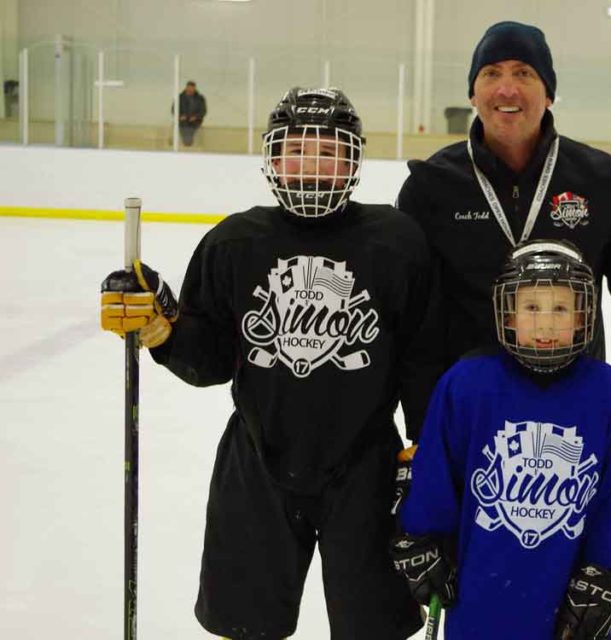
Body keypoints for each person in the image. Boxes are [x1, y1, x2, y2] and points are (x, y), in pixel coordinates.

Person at [100, 87, 442, 639]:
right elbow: (208, 357)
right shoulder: (236, 241)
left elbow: (422, 361)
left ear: (353, 160)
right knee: (246, 623)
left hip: (367, 466)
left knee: (373, 624)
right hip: (258, 459)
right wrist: (163, 329)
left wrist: (426, 450)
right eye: (298, 150)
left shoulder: (398, 243)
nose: (312, 166)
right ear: (273, 157)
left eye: (329, 151)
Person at [390, 240, 611, 639]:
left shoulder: (609, 394)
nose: (545, 324)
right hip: (481, 593)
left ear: (583, 317)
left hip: (570, 597)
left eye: (560, 308)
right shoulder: (467, 384)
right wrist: (423, 535)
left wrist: (606, 570)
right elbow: (438, 471)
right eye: (531, 308)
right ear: (507, 313)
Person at [397, 20, 611, 367]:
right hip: (471, 403)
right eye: (491, 73)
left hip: (571, 400)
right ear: (473, 93)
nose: (507, 89)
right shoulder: (431, 186)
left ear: (548, 94)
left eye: (523, 73)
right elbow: (409, 315)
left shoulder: (601, 179)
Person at [176, 80, 207, 147]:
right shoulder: (179, 97)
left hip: (195, 122)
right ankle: (186, 143)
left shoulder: (200, 98)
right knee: (184, 128)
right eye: (189, 88)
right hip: (182, 121)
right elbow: (174, 109)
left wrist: (196, 117)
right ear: (186, 88)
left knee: (191, 130)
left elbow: (203, 111)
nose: (190, 90)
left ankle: (189, 143)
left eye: (192, 88)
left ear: (194, 88)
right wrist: (180, 116)